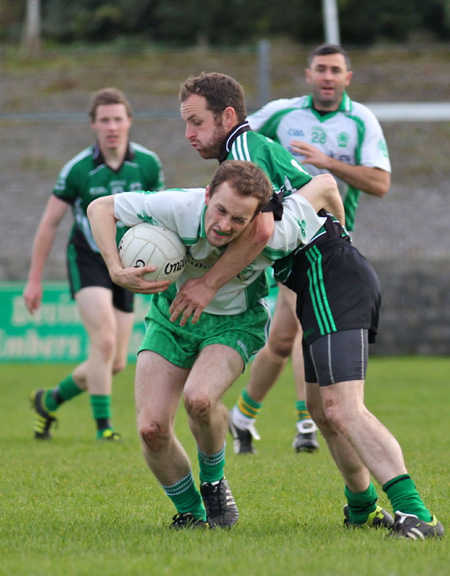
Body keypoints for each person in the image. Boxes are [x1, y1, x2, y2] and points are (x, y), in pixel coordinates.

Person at [169, 72, 443, 539]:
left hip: (327, 274)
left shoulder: (242, 154)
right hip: (322, 275)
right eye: (186, 124)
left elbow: (259, 231)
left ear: (227, 116)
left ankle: (418, 513)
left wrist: (208, 284)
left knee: (342, 408)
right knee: (321, 408)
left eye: (196, 122)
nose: (190, 134)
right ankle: (361, 510)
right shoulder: (255, 151)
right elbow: (323, 185)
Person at [87, 160, 340, 529]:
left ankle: (213, 482)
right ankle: (192, 512)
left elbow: (325, 187)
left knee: (200, 399)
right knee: (151, 430)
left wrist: (343, 238)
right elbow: (100, 208)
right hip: (172, 318)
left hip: (236, 322)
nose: (224, 226)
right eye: (220, 210)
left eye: (239, 220)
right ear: (207, 195)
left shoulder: (278, 230)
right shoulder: (178, 206)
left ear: (257, 218)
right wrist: (114, 268)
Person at [231, 43, 392, 453]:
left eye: (335, 70)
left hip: (335, 242)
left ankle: (242, 416)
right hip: (291, 239)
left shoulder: (361, 122)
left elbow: (380, 184)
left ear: (346, 78)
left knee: (283, 341)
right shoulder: (283, 114)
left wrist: (329, 163)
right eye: (320, 69)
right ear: (308, 74)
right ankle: (307, 424)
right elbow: (237, 143)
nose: (327, 76)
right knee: (306, 327)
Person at [23, 87, 165, 441]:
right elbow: (48, 225)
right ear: (93, 125)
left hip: (128, 262)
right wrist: (34, 280)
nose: (112, 127)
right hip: (88, 258)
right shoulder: (78, 170)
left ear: (129, 121)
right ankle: (104, 428)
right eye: (104, 121)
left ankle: (50, 400)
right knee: (102, 341)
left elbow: (161, 218)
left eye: (118, 119)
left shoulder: (147, 164)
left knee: (115, 362)